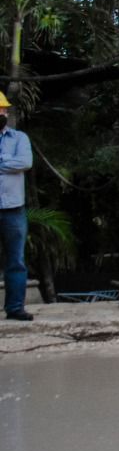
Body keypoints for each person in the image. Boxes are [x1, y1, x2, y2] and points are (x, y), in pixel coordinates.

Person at [0, 92, 33, 321]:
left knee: (16, 262)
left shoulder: (19, 138)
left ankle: (14, 308)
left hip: (13, 208)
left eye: (2, 110)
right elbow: (15, 164)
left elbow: (25, 162)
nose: (2, 113)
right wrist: (7, 163)